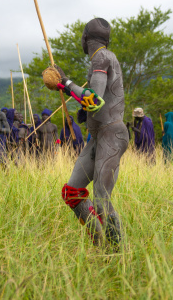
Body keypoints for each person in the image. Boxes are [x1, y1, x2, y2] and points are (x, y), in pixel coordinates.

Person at [54, 17, 129, 250]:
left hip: (111, 135)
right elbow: (94, 103)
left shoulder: (102, 57)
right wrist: (84, 112)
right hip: (98, 136)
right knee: (72, 192)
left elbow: (94, 100)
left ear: (85, 38)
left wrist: (64, 82)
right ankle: (99, 241)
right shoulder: (103, 59)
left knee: (101, 200)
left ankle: (118, 253)